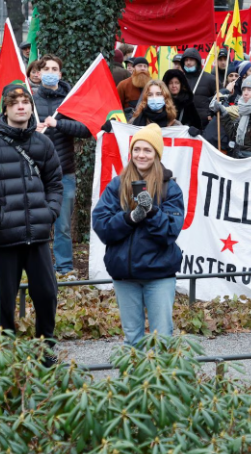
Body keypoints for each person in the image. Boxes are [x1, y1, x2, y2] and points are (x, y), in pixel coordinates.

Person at [0, 84, 63, 350]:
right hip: (4, 237)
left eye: (25, 101)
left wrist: (49, 212)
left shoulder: (43, 142)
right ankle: (6, 361)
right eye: (14, 101)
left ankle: (46, 354)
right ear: (5, 107)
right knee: (5, 303)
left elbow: (55, 183)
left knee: (47, 295)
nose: (21, 105)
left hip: (37, 236)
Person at [92, 124, 184, 346]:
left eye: (147, 150)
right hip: (125, 275)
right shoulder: (117, 185)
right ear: (131, 152)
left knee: (161, 338)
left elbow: (170, 231)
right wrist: (129, 219)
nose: (141, 155)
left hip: (158, 275)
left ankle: (160, 382)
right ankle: (135, 382)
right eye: (137, 149)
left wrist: (152, 212)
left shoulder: (170, 189)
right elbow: (102, 226)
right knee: (132, 339)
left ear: (156, 155)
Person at [31, 55, 91, 275]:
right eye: (45, 68)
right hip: (35, 172)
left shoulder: (70, 101)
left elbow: (85, 129)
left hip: (65, 172)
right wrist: (30, 129)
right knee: (37, 222)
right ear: (38, 73)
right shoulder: (30, 100)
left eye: (54, 68)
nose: (50, 71)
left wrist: (59, 124)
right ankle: (38, 267)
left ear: (60, 74)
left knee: (62, 225)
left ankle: (64, 268)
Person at [209, 74, 251, 158]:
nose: (245, 93)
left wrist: (250, 164)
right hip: (239, 158)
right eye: (244, 89)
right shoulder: (244, 111)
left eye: (249, 90)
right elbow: (234, 135)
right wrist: (224, 115)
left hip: (250, 161)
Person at [180, 48, 218, 128]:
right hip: (183, 125)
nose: (188, 63)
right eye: (186, 60)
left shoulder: (210, 79)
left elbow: (220, 97)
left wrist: (210, 113)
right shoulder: (179, 79)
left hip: (205, 126)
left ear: (197, 61)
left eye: (191, 60)